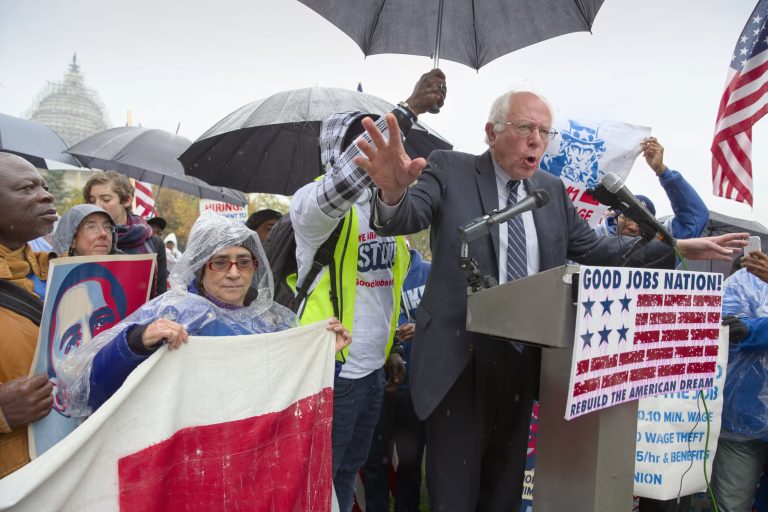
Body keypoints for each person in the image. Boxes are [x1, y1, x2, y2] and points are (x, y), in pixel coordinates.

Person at [350, 89, 748, 511]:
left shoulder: (550, 190)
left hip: (524, 364)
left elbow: (600, 252)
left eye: (543, 131)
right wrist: (393, 194)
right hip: (458, 363)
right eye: (524, 128)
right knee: (455, 498)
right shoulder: (452, 168)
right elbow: (407, 216)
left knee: (502, 495)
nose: (536, 140)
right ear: (491, 132)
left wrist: (680, 247)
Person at [288, 69, 446, 512]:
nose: (376, 153)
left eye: (380, 141)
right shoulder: (313, 206)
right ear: (335, 155)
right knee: (321, 479)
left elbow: (382, 292)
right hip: (330, 374)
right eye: (363, 143)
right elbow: (343, 183)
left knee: (346, 474)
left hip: (372, 373)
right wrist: (409, 110)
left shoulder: (387, 212)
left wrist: (390, 347)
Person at [58, 212, 351, 416]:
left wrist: (324, 356)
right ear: (200, 267)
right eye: (220, 262)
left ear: (255, 267)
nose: (234, 273)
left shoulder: (275, 321)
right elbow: (91, 390)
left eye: (244, 262)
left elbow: (299, 394)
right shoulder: (174, 313)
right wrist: (137, 341)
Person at [0, 152, 56, 477]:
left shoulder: (59, 271)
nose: (46, 195)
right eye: (26, 189)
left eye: (45, 186)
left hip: (63, 467)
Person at [363, 246, 429, 512]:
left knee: (411, 462)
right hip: (377, 384)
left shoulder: (430, 273)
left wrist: (423, 328)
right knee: (374, 461)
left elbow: (449, 321)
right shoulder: (369, 272)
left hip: (416, 386)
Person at [711, 249, 768, 512]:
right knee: (732, 505)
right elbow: (726, 330)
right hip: (742, 420)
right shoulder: (742, 280)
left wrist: (753, 331)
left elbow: (743, 332)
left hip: (741, 416)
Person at [596, 137, 709, 240]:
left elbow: (696, 217)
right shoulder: (591, 238)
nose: (634, 227)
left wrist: (662, 171)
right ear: (615, 217)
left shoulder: (661, 246)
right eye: (629, 217)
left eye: (643, 222)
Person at [82, 171, 167, 297]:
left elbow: (159, 296)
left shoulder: (154, 243)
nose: (96, 206)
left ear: (127, 200)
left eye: (105, 199)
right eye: (91, 200)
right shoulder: (82, 238)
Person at [52, 204, 119, 256]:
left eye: (107, 227)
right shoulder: (49, 272)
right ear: (72, 240)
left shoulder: (126, 270)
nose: (103, 234)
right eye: (91, 227)